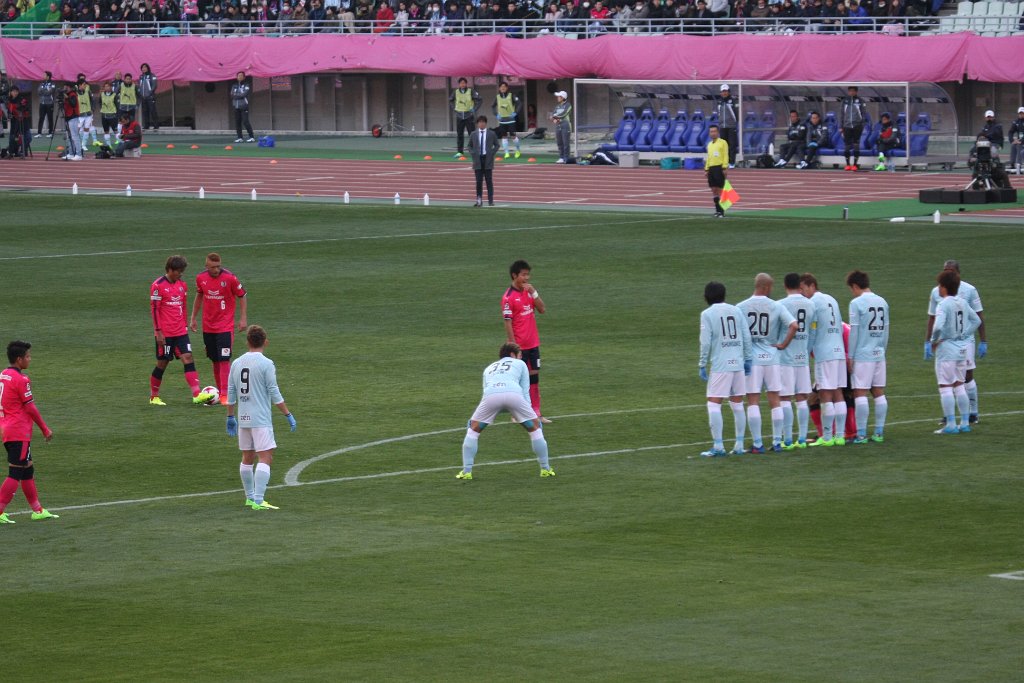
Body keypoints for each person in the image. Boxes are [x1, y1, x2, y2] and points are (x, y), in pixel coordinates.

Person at [457, 342, 554, 480]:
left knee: (473, 429)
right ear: (512, 354)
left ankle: (466, 471)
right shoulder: (520, 364)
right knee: (535, 428)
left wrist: (493, 412)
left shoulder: (489, 368)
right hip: (514, 394)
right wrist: (525, 414)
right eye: (519, 355)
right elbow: (525, 390)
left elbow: (487, 393)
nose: (521, 358)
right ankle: (545, 469)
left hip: (491, 396)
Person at [225, 325, 296, 510]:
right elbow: (274, 392)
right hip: (260, 419)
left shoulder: (236, 363)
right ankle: (258, 500)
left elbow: (230, 391)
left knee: (247, 457)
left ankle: (249, 498)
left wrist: (230, 416)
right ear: (265, 342)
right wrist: (287, 414)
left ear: (247, 341)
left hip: (243, 418)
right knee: (265, 457)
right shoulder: (266, 364)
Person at [736, 274, 797, 453]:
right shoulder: (776, 306)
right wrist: (783, 344)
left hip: (752, 359)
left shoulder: (741, 307)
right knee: (775, 400)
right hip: (772, 358)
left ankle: (757, 444)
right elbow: (794, 325)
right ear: (767, 287)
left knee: (753, 400)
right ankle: (777, 442)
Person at [0, 341, 59, 524]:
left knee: (27, 469)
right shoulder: (22, 380)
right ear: (19, 359)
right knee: (15, 472)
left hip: (7, 428)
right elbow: (30, 408)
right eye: (27, 356)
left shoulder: (3, 375)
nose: (30, 359)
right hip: (19, 431)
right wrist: (45, 429)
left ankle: (37, 510)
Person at [149, 255, 216, 406]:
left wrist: (185, 325)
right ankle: (154, 397)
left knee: (188, 357)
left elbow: (183, 306)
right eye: (179, 271)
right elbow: (155, 310)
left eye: (182, 271)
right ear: (170, 270)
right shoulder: (158, 286)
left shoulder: (182, 285)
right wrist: (158, 332)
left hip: (180, 331)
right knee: (162, 363)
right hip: (165, 333)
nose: (181, 274)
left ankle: (196, 395)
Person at [925, 260, 985, 425]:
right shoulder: (961, 302)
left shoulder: (945, 303)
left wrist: (933, 341)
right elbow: (976, 320)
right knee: (959, 385)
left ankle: (951, 423)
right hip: (961, 346)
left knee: (946, 386)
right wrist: (964, 333)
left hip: (948, 347)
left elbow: (938, 325)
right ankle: (964, 423)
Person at [698, 281, 753, 457]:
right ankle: (739, 445)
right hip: (737, 364)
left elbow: (705, 342)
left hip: (721, 365)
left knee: (713, 403)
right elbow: (746, 336)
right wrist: (748, 359)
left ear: (707, 296)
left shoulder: (707, 314)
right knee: (737, 404)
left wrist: (702, 363)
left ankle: (718, 446)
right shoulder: (736, 310)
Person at [189, 253, 248, 404]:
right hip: (208, 327)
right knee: (215, 360)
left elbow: (242, 295)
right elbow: (199, 296)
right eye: (213, 267)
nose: (216, 270)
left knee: (224, 359)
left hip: (225, 327)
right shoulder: (200, 278)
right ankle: (221, 391)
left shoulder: (230, 278)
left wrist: (243, 318)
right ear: (206, 266)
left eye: (218, 266)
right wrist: (193, 317)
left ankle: (225, 395)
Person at [800, 273, 847, 447]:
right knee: (838, 392)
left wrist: (806, 352)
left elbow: (812, 331)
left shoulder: (813, 303)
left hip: (825, 353)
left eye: (803, 289)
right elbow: (840, 325)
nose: (802, 293)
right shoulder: (832, 299)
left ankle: (827, 437)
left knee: (825, 394)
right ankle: (840, 436)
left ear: (812, 285)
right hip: (838, 351)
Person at [502, 260, 550, 423]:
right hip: (519, 346)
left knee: (534, 379)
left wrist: (534, 293)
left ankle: (536, 413)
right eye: (523, 275)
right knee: (519, 380)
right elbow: (507, 322)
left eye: (528, 275)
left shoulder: (529, 293)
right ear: (514, 275)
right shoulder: (508, 297)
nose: (527, 278)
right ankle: (516, 414)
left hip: (533, 344)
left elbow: (542, 309)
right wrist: (513, 345)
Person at [845, 270, 889, 444]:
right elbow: (886, 331)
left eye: (851, 289)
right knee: (878, 392)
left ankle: (861, 435)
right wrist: (882, 350)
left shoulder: (856, 303)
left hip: (863, 355)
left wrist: (851, 356)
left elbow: (854, 331)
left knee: (860, 393)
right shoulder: (882, 301)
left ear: (855, 286)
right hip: (879, 353)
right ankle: (879, 433)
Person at [777, 272, 815, 450]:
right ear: (800, 285)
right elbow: (813, 330)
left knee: (784, 398)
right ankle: (802, 438)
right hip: (802, 357)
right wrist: (806, 351)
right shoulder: (811, 304)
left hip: (785, 357)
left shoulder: (780, 304)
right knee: (801, 398)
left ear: (785, 285)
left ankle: (787, 439)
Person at [468, 114, 500, 207]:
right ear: (477, 124)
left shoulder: (491, 133)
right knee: (479, 181)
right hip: (477, 160)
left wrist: (491, 153)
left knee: (489, 181)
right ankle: (479, 200)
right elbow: (469, 146)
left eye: (483, 122)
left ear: (486, 123)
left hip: (487, 159)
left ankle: (490, 200)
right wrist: (473, 153)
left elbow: (497, 145)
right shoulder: (473, 134)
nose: (481, 124)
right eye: (480, 122)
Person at [449, 77, 482, 158]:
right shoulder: (456, 92)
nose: (462, 84)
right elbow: (450, 100)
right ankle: (460, 152)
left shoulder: (471, 91)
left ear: (466, 84)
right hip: (459, 116)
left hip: (469, 116)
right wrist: (454, 108)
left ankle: (475, 151)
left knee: (472, 134)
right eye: (461, 83)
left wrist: (474, 109)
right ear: (459, 84)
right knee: (460, 134)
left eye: (464, 83)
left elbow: (480, 100)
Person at [840, 85, 869, 171]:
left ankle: (855, 164)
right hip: (846, 126)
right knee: (847, 145)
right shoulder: (845, 101)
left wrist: (862, 124)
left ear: (856, 92)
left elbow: (864, 113)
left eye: (853, 91)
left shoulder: (860, 101)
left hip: (857, 126)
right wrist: (841, 126)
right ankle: (847, 164)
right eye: (850, 91)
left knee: (856, 144)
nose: (851, 92)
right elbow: (841, 114)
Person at [492, 81, 522, 159]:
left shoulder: (511, 95)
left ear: (507, 88)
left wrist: (515, 113)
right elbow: (493, 106)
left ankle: (518, 151)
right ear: (499, 88)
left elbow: (519, 104)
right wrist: (496, 114)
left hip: (511, 120)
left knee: (513, 135)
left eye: (504, 86)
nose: (503, 88)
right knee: (504, 136)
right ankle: (506, 153)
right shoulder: (497, 97)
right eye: (501, 87)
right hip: (502, 120)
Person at [704, 124, 728, 218]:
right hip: (711, 168)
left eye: (714, 131)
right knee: (714, 190)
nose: (713, 133)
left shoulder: (723, 143)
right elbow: (709, 157)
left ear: (718, 132)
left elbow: (725, 155)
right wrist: (706, 169)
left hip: (719, 167)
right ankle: (717, 210)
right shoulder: (709, 144)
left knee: (720, 190)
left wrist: (724, 167)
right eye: (711, 132)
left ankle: (722, 211)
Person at [5, 84, 31, 159]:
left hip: (23, 121)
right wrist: (9, 115)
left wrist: (20, 110)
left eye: (16, 91)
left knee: (28, 137)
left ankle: (23, 151)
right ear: (10, 92)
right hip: (14, 122)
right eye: (13, 91)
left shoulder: (22, 99)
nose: (15, 93)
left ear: (18, 92)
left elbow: (26, 108)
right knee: (12, 137)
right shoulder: (9, 100)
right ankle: (11, 152)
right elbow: (9, 112)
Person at [716, 84, 738, 168]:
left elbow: (737, 112)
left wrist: (735, 122)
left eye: (725, 91)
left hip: (731, 126)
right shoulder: (719, 102)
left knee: (732, 145)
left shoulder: (733, 101)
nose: (724, 93)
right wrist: (720, 122)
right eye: (723, 91)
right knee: (723, 145)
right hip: (722, 126)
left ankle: (732, 162)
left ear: (728, 92)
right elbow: (718, 113)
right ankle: (725, 161)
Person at [231, 71, 256, 143]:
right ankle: (240, 137)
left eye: (241, 76)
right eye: (238, 76)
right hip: (236, 106)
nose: (240, 77)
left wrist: (236, 95)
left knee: (245, 121)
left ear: (244, 77)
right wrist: (237, 95)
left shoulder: (246, 85)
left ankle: (251, 137)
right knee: (237, 122)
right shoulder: (234, 85)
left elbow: (244, 94)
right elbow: (232, 94)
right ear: (237, 77)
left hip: (244, 106)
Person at [61, 82, 83, 161]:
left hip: (73, 117)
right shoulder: (68, 94)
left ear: (69, 87)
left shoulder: (73, 94)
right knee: (69, 137)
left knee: (74, 136)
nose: (64, 89)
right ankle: (71, 153)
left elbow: (73, 104)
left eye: (65, 87)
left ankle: (79, 154)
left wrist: (67, 98)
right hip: (68, 116)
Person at [76, 75, 98, 148]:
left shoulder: (88, 91)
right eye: (84, 84)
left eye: (85, 84)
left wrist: (92, 109)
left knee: (87, 129)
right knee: (77, 129)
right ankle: (76, 144)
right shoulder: (75, 92)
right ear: (79, 85)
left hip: (88, 113)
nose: (85, 86)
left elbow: (92, 100)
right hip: (79, 115)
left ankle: (83, 145)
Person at [552, 90, 572, 164]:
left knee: (566, 143)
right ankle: (561, 157)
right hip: (558, 125)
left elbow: (564, 113)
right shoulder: (557, 106)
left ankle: (566, 157)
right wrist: (554, 118)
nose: (557, 98)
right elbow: (553, 113)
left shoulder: (568, 105)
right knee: (559, 142)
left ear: (563, 97)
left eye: (559, 96)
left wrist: (555, 117)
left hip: (566, 125)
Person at [139, 63, 159, 130]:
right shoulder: (141, 76)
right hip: (143, 97)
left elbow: (154, 85)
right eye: (142, 68)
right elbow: (140, 86)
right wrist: (141, 94)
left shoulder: (152, 75)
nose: (144, 69)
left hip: (150, 97)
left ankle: (156, 125)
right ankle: (146, 125)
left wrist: (150, 93)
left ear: (148, 68)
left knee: (153, 111)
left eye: (145, 67)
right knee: (145, 112)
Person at [37, 71, 57, 138]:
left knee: (50, 118)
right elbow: (39, 91)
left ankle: (50, 132)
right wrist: (45, 90)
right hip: (42, 103)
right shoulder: (42, 83)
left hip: (49, 103)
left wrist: (43, 90)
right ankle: (39, 133)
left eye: (44, 75)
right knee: (41, 118)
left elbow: (50, 92)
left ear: (48, 76)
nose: (43, 76)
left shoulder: (52, 84)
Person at [100, 81, 119, 146]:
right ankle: (108, 146)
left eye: (108, 86)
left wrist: (117, 115)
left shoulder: (114, 95)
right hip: (104, 116)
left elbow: (117, 105)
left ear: (111, 87)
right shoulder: (102, 94)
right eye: (105, 86)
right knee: (106, 131)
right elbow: (100, 103)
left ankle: (121, 143)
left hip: (112, 116)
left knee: (115, 131)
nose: (106, 88)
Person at [1008, 106, 1024, 175]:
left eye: (1022, 113)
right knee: (1013, 145)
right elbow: (1010, 132)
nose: (1021, 115)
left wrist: (1021, 141)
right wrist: (1012, 140)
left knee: (1019, 146)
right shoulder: (1016, 122)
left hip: (1022, 141)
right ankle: (1012, 164)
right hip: (1019, 140)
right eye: (1020, 113)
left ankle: (1018, 165)